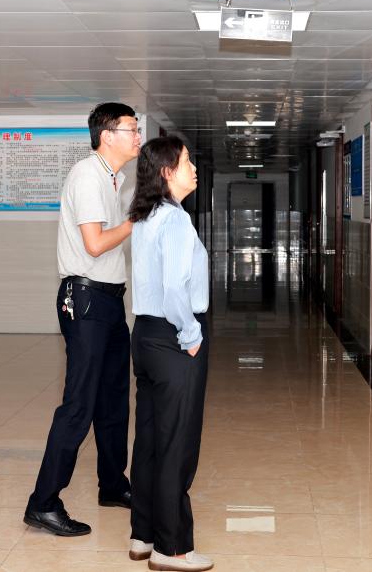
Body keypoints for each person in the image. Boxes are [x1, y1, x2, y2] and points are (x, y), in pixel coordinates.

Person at [24, 102, 142, 536]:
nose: (138, 137)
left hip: (109, 301)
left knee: (114, 399)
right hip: (87, 300)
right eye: (132, 129)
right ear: (107, 135)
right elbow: (95, 244)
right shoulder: (87, 175)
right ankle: (43, 502)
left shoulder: (114, 179)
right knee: (79, 404)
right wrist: (136, 220)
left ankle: (113, 483)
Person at [127, 136, 211, 572]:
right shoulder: (175, 219)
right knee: (177, 443)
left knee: (149, 440)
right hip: (174, 337)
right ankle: (172, 547)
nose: (193, 168)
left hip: (145, 334)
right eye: (186, 161)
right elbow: (175, 288)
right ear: (167, 172)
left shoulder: (146, 215)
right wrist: (191, 333)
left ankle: (143, 534)